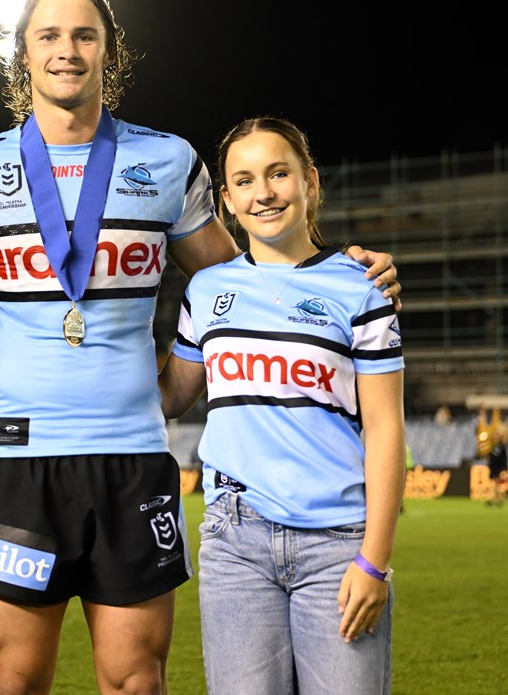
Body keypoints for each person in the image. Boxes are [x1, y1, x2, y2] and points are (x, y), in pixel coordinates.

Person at [0, 0, 401, 694]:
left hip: (132, 457)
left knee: (136, 680)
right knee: (14, 678)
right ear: (23, 55)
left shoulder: (168, 162)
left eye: (84, 35)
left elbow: (248, 283)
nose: (66, 50)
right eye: (49, 36)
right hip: (17, 461)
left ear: (109, 52)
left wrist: (341, 269)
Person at [158, 116, 406, 694]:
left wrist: (374, 561)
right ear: (227, 201)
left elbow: (386, 429)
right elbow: (169, 396)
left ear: (310, 181)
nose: (263, 193)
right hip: (235, 543)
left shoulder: (362, 287)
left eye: (278, 174)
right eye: (244, 181)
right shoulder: (206, 291)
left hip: (338, 545)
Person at [486, 425, 507, 506]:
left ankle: (497, 499)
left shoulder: (502, 447)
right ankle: (498, 499)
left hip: (499, 468)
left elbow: (504, 459)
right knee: (495, 484)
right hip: (493, 468)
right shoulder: (493, 447)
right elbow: (491, 458)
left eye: (497, 435)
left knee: (498, 484)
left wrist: (504, 469)